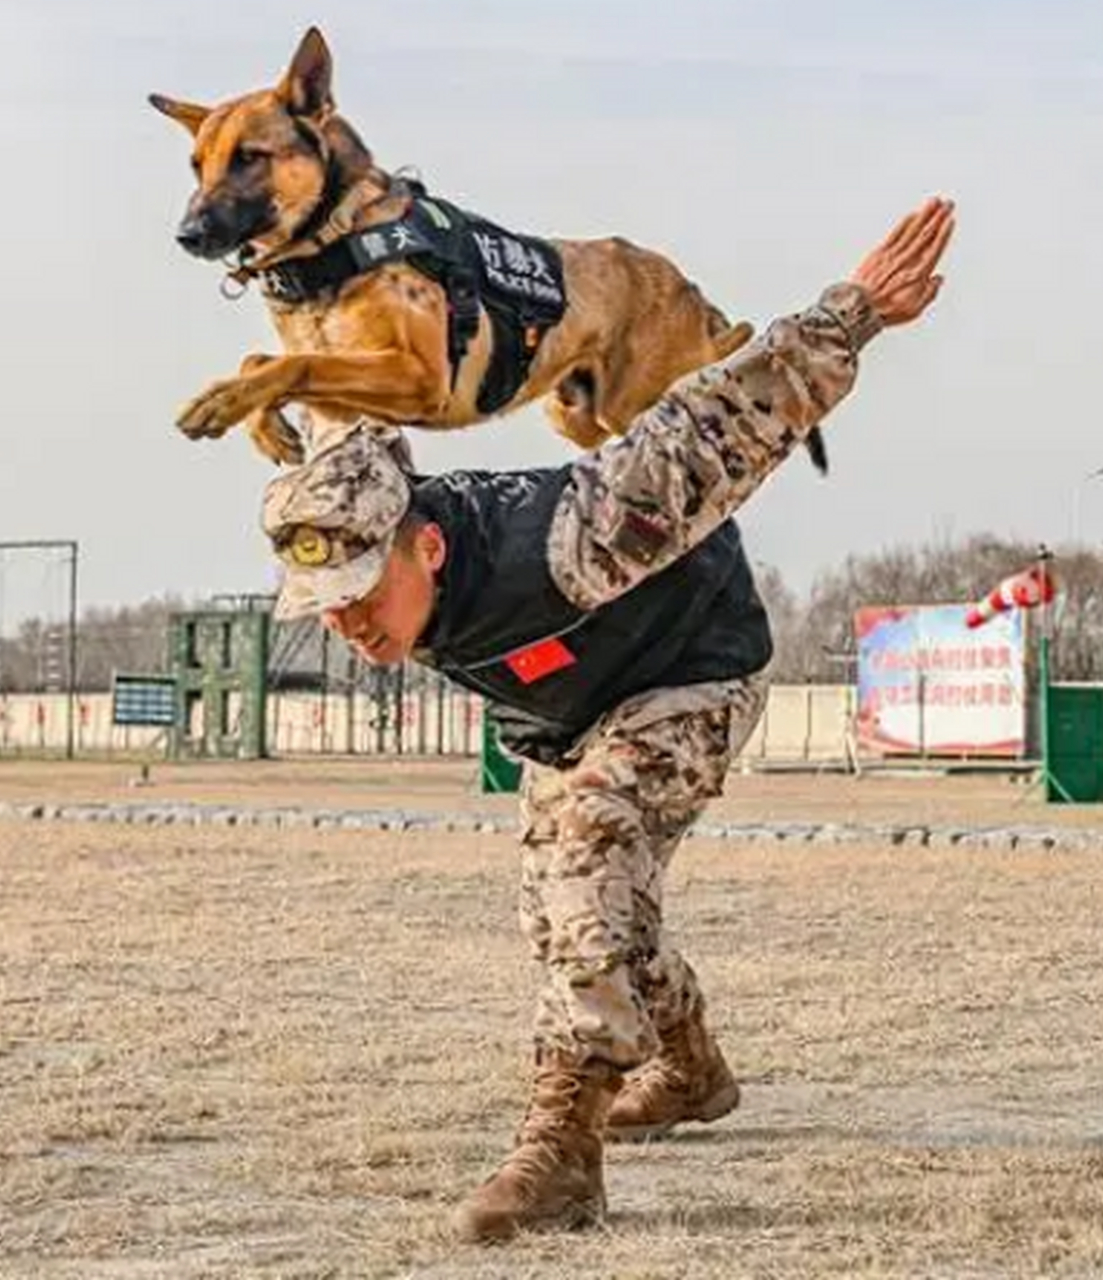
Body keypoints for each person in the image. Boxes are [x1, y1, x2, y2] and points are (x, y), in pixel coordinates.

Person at [260, 197, 956, 1242]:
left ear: (429, 550)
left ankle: (560, 1154)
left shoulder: (569, 534)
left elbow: (719, 419)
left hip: (693, 670)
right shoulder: (381, 541)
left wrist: (852, 312)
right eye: (330, 604)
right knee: (574, 915)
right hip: (574, 713)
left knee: (591, 854)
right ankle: (689, 1068)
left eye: (364, 590)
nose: (352, 623)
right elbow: (345, 406)